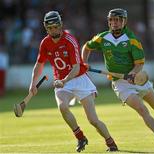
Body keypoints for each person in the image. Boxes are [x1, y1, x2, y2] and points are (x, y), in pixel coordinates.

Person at [82, 8, 154, 149]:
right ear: (109, 22)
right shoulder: (102, 38)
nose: (114, 23)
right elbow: (87, 47)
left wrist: (132, 74)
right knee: (142, 110)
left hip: (137, 79)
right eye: (112, 20)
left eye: (118, 20)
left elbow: (139, 64)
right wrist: (84, 62)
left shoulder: (132, 40)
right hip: (121, 84)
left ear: (124, 22)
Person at [29, 11, 118, 152]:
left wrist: (64, 80)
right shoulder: (45, 43)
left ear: (60, 25)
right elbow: (39, 64)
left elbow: (76, 68)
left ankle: (111, 142)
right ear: (46, 28)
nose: (53, 31)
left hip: (79, 79)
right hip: (62, 82)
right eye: (50, 28)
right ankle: (80, 136)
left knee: (93, 120)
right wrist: (32, 84)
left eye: (55, 27)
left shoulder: (70, 40)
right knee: (62, 107)